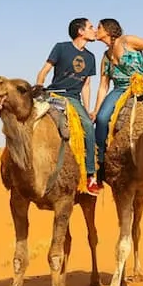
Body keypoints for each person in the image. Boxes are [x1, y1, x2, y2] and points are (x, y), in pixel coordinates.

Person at [91, 18, 143, 183]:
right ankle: (101, 162)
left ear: (108, 30)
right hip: (119, 89)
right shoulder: (105, 57)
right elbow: (103, 86)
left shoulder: (128, 41)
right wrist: (96, 109)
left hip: (142, 84)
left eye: (99, 27)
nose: (96, 30)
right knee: (102, 119)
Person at [36, 17, 101, 194]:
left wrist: (87, 110)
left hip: (73, 99)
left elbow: (86, 86)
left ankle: (90, 175)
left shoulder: (91, 57)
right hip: (54, 94)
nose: (94, 30)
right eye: (90, 27)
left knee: (87, 125)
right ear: (80, 31)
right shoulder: (61, 48)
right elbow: (44, 71)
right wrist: (39, 89)